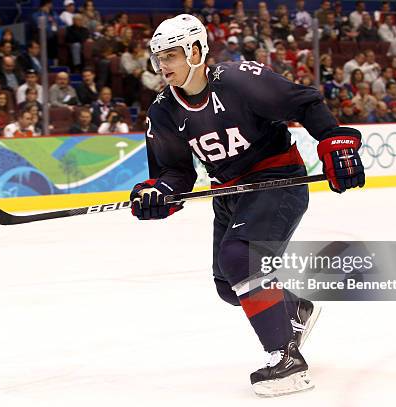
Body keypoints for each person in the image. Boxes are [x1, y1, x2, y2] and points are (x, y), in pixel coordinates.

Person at [130, 14, 364, 396]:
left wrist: (335, 144)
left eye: (170, 55)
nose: (162, 66)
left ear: (194, 50)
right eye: (158, 58)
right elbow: (175, 172)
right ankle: (294, 311)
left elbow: (305, 104)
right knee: (228, 284)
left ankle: (286, 360)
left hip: (277, 180)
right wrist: (156, 194)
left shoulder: (241, 80)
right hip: (229, 194)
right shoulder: (162, 111)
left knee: (242, 258)